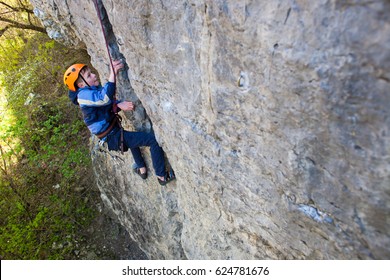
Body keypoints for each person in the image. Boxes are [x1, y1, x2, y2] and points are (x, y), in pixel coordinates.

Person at [63, 61, 175, 185]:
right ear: (81, 84)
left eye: (91, 73)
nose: (94, 75)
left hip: (112, 134)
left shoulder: (88, 92)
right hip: (113, 136)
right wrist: (113, 73)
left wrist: (117, 105)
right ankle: (162, 176)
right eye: (89, 75)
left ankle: (142, 169)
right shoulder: (83, 95)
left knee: (131, 139)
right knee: (153, 140)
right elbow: (104, 98)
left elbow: (102, 108)